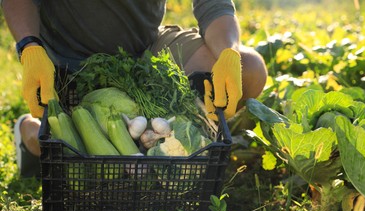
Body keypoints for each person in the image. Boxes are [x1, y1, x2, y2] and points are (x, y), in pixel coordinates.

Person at [1, 0, 267, 177]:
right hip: (74, 68)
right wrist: (30, 46)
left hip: (148, 50)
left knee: (250, 69)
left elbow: (214, 4)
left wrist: (228, 54)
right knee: (82, 162)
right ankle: (32, 134)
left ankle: (182, 145)